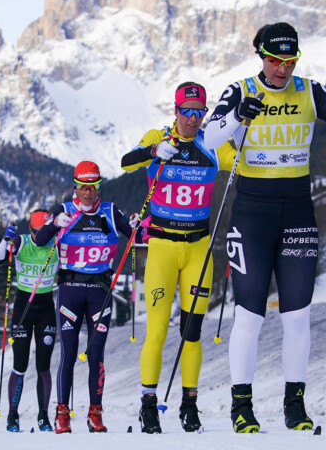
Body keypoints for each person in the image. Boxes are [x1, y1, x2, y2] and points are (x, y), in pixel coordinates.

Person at [203, 22, 326, 433]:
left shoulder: (309, 90)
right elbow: (209, 138)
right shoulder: (241, 90)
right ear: (261, 56)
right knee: (249, 315)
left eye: (290, 61)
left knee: (297, 316)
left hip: (297, 211)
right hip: (252, 213)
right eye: (276, 61)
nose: (283, 69)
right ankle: (241, 407)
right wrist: (238, 116)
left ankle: (294, 404)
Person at [120, 81, 236, 434]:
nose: (192, 118)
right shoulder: (159, 136)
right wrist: (154, 151)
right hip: (162, 248)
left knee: (192, 333)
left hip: (199, 249)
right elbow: (127, 162)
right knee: (156, 330)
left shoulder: (212, 143)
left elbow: (242, 162)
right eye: (186, 111)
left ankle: (189, 404)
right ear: (175, 111)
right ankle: (148, 405)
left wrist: (242, 125)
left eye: (199, 112)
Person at [33, 160, 138, 434]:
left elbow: (137, 236)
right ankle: (62, 414)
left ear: (99, 186)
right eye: (83, 186)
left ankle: (95, 414)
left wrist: (138, 225)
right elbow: (40, 241)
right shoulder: (64, 210)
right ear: (75, 187)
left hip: (100, 292)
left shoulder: (110, 211)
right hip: (70, 289)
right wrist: (54, 224)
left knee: (96, 355)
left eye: (93, 186)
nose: (88, 192)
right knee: (68, 353)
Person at [0, 209, 59, 432]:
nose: (42, 238)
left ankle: (43, 416)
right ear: (30, 229)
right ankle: (13, 415)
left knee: (43, 366)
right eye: (38, 232)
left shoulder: (56, 244)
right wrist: (6, 239)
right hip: (23, 309)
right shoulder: (21, 242)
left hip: (46, 310)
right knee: (20, 364)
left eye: (46, 233)